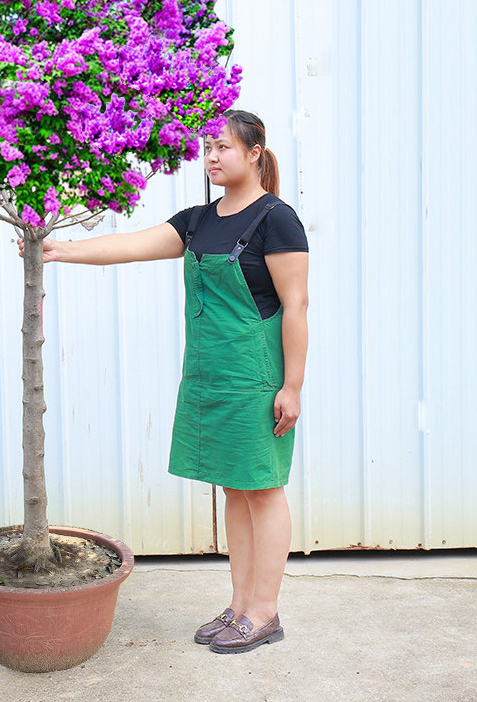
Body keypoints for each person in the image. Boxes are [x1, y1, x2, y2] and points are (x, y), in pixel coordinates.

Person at [19, 109, 309, 654]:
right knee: (234, 489)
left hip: (256, 378)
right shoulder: (198, 220)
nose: (212, 156)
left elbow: (296, 305)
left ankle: (265, 611)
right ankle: (239, 604)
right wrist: (56, 250)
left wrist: (291, 387)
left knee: (263, 491)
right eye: (207, 148)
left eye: (223, 147)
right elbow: (129, 244)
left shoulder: (277, 219)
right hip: (209, 375)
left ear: (253, 152)